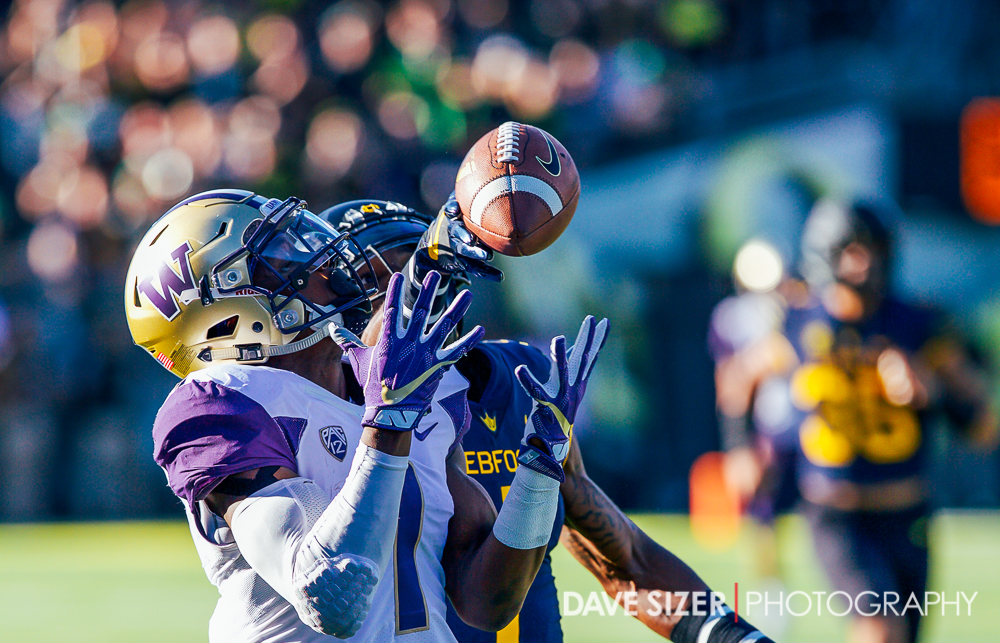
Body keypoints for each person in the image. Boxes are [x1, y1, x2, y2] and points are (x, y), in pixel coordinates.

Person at [124, 189, 606, 642]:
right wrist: (388, 426)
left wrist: (540, 473)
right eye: (281, 258)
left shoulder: (401, 376)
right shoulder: (221, 405)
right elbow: (329, 594)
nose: (321, 259)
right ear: (225, 312)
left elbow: (486, 604)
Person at [323, 196, 777, 643]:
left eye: (426, 273)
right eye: (383, 281)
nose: (419, 293)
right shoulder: (326, 408)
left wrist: (731, 636)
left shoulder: (519, 382)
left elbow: (622, 560)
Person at [713, 197, 997, 643]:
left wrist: (931, 392)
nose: (863, 265)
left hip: (908, 515)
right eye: (850, 251)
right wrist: (738, 449)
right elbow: (739, 378)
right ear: (824, 253)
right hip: (836, 516)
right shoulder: (799, 322)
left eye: (872, 251)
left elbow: (983, 427)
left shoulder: (919, 326)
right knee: (880, 629)